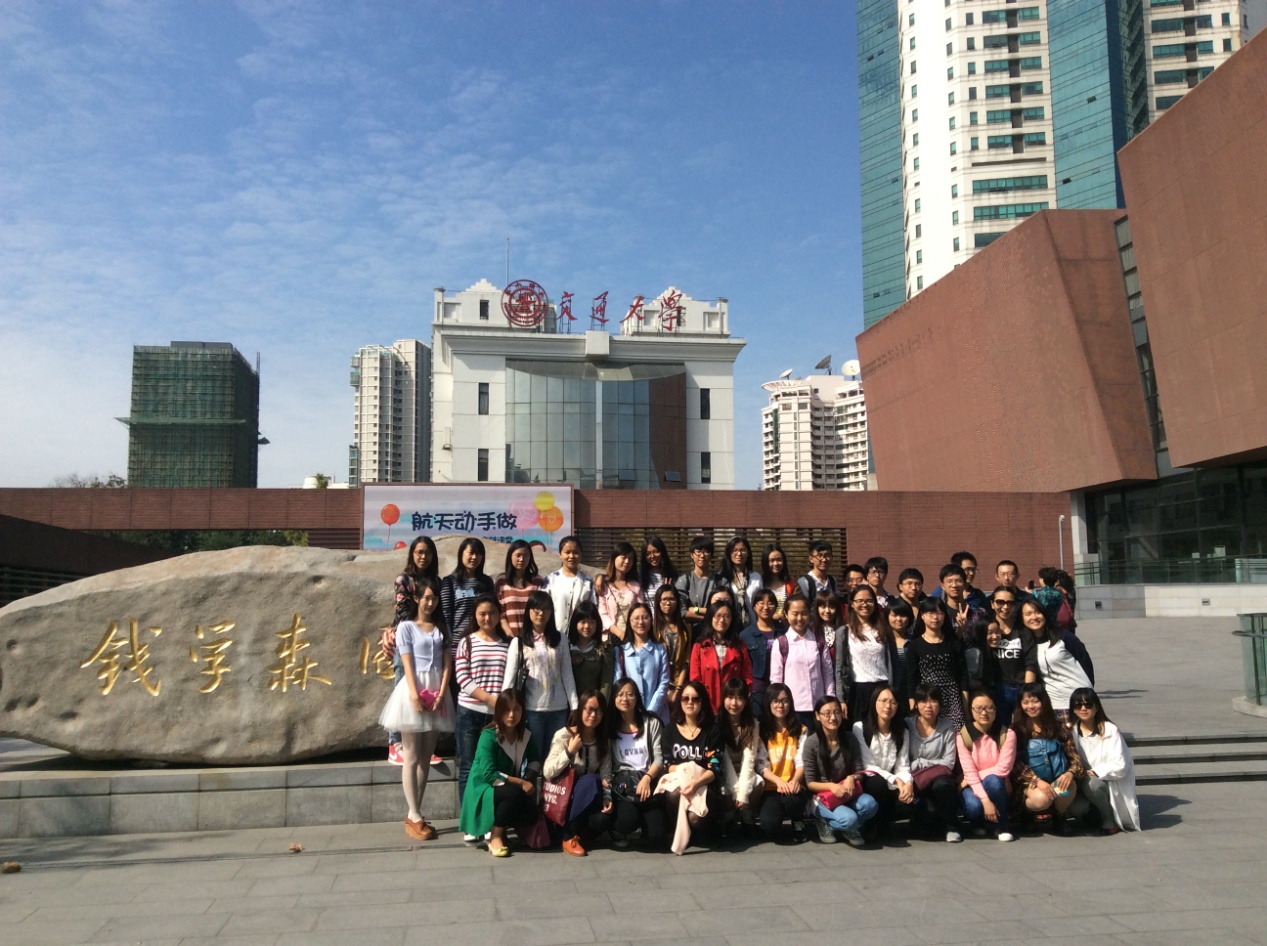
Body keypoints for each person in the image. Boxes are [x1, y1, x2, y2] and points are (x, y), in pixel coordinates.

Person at [377, 577, 453, 841]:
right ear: (417, 599)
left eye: (434, 598)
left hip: (436, 690)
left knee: (426, 756)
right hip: (413, 691)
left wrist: (442, 693)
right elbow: (406, 662)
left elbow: (447, 663)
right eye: (426, 598)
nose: (430, 603)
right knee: (411, 756)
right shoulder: (407, 627)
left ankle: (415, 812)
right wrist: (413, 694)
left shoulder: (441, 627)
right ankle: (414, 815)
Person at [458, 688, 541, 857]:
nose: (511, 715)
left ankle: (500, 829)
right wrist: (521, 782)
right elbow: (490, 775)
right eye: (506, 710)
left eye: (516, 709)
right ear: (499, 712)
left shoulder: (525, 733)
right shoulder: (488, 736)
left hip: (506, 788)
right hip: (482, 789)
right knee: (515, 792)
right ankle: (495, 837)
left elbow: (535, 760)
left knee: (531, 813)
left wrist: (528, 778)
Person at [382, 535, 440, 765]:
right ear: (412, 554)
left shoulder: (436, 581)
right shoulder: (404, 580)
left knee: (427, 691)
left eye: (427, 552)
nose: (423, 556)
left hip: (428, 644)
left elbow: (439, 613)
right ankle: (395, 744)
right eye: (419, 552)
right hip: (407, 642)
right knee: (402, 689)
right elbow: (403, 613)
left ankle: (422, 746)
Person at [503, 590, 578, 762]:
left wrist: (574, 705)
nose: (541, 613)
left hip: (559, 709)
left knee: (555, 759)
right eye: (536, 609)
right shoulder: (519, 641)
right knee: (533, 760)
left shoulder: (560, 639)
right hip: (532, 709)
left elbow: (567, 672)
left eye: (545, 609)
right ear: (528, 611)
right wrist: (505, 708)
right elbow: (510, 678)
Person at [452, 594, 510, 816]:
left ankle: (490, 817)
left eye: (492, 613)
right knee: (468, 766)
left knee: (493, 767)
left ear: (499, 615)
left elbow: (512, 676)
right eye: (482, 613)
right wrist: (489, 699)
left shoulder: (507, 644)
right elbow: (462, 678)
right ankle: (470, 817)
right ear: (475, 616)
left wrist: (500, 704)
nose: (487, 618)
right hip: (469, 713)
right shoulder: (466, 642)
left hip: (498, 716)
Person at [542, 690, 614, 856]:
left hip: (587, 800)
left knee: (604, 819)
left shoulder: (603, 740)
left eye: (598, 711)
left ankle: (572, 834)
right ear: (580, 710)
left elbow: (606, 773)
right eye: (589, 709)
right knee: (591, 780)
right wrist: (569, 752)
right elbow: (548, 771)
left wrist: (607, 796)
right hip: (563, 798)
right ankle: (568, 835)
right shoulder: (564, 735)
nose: (593, 715)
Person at [802, 695, 878, 846]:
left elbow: (859, 771)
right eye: (827, 713)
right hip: (824, 797)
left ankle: (849, 826)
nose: (833, 717)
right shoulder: (812, 742)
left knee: (870, 805)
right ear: (817, 716)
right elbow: (810, 783)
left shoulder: (849, 738)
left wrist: (852, 778)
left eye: (837, 712)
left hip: (848, 793)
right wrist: (831, 786)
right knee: (849, 819)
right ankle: (824, 821)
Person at [658, 679, 724, 853]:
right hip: (679, 782)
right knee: (674, 793)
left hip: (705, 785)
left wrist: (695, 783)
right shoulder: (670, 730)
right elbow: (667, 765)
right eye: (685, 698)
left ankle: (705, 829)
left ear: (702, 702)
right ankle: (677, 830)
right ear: (679, 701)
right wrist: (685, 774)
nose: (690, 702)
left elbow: (715, 768)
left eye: (695, 699)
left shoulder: (713, 730)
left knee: (696, 819)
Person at [1011, 683, 1084, 833]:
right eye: (1026, 702)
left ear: (1044, 701)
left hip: (1056, 778)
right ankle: (1027, 814)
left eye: (1035, 701)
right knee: (1041, 799)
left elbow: (1075, 758)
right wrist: (1037, 781)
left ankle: (1059, 816)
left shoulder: (1059, 727)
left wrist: (1070, 773)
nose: (1031, 706)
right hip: (1030, 783)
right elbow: (1015, 764)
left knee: (1069, 787)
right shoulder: (1016, 730)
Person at [607, 677, 668, 848]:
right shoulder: (610, 726)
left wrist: (648, 778)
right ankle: (618, 826)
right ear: (614, 698)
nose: (625, 699)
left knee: (657, 837)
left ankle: (647, 824)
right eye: (620, 694)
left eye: (630, 694)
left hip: (648, 781)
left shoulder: (651, 723)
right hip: (624, 786)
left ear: (637, 698)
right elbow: (608, 762)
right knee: (627, 822)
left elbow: (659, 757)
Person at [1069, 688, 1141, 833]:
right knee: (1074, 807)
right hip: (1081, 780)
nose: (1083, 708)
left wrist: (1094, 772)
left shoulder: (1110, 730)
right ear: (1073, 709)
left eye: (1088, 704)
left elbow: (1120, 765)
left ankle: (1109, 820)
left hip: (1108, 781)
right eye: (1078, 705)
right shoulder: (1071, 732)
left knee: (1092, 785)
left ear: (1096, 707)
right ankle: (1093, 813)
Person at [957, 690, 1017, 842]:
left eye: (989, 708)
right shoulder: (963, 736)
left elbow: (1003, 768)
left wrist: (971, 778)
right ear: (971, 710)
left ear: (996, 709)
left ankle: (1002, 825)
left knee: (993, 780)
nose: (984, 713)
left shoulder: (1007, 734)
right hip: (973, 787)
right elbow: (968, 770)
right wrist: (985, 800)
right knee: (974, 806)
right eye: (978, 708)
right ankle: (978, 822)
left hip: (996, 785)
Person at [852, 686, 912, 836]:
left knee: (911, 801)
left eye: (893, 702)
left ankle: (884, 821)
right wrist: (896, 780)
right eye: (883, 701)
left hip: (891, 783)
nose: (888, 706)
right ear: (874, 702)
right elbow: (868, 766)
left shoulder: (903, 732)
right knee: (877, 783)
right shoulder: (860, 728)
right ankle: (871, 824)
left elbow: (903, 765)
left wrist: (907, 783)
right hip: (869, 781)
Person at [907, 684, 963, 842]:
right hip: (914, 781)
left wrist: (920, 763)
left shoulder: (948, 727)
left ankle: (951, 826)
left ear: (940, 704)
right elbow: (903, 761)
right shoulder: (907, 725)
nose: (928, 706)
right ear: (916, 704)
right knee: (928, 816)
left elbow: (949, 763)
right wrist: (928, 765)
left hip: (937, 780)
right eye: (923, 701)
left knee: (943, 784)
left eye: (933, 701)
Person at [769, 593, 834, 725]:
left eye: (804, 613)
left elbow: (827, 673)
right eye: (795, 614)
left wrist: (830, 699)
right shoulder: (781, 643)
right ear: (786, 614)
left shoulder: (819, 642)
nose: (799, 618)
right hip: (792, 709)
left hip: (819, 709)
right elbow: (776, 679)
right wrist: (779, 706)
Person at [1023, 601, 1091, 723]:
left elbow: (1085, 662)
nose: (1034, 617)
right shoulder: (1027, 644)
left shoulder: (1064, 636)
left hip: (1080, 701)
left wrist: (1088, 692)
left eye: (1038, 612)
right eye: (1028, 614)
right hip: (1055, 704)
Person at [756, 683, 808, 843]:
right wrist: (779, 781)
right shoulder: (761, 730)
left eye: (785, 701)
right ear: (768, 703)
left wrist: (794, 781)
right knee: (769, 826)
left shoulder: (801, 730)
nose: (780, 705)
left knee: (794, 800)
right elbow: (761, 765)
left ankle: (798, 821)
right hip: (771, 787)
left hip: (793, 785)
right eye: (776, 701)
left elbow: (802, 761)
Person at [907, 597, 968, 730]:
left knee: (955, 734)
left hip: (952, 698)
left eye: (940, 613)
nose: (935, 617)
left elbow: (963, 676)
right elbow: (911, 679)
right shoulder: (915, 646)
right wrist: (913, 705)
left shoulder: (954, 643)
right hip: (927, 698)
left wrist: (965, 705)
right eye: (930, 613)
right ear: (922, 615)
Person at [835, 584, 892, 725]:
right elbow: (839, 667)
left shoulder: (884, 630)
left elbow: (891, 663)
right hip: (857, 691)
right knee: (858, 732)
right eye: (860, 601)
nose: (864, 605)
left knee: (882, 731)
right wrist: (840, 699)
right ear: (852, 604)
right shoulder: (844, 631)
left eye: (869, 601)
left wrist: (892, 690)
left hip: (882, 689)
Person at [689, 598, 753, 713]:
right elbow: (695, 678)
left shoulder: (739, 645)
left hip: (733, 705)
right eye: (718, 616)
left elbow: (747, 677)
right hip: (707, 704)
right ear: (711, 618)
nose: (722, 620)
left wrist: (743, 698)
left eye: (727, 616)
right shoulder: (700, 646)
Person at [717, 678, 763, 833]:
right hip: (725, 772)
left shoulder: (752, 724)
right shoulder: (717, 724)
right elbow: (725, 761)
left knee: (758, 782)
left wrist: (742, 794)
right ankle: (729, 817)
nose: (734, 703)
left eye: (739, 698)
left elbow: (749, 761)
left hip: (744, 771)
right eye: (730, 697)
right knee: (724, 790)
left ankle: (746, 816)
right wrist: (737, 790)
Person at [988, 585, 1037, 722]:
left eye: (1010, 603)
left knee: (1023, 728)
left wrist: (1027, 692)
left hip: (1021, 687)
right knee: (1000, 729)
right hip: (998, 689)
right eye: (1000, 602)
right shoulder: (988, 629)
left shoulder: (1023, 630)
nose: (1005, 607)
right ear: (992, 604)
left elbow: (1031, 661)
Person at [614, 602, 670, 721]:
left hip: (657, 715)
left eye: (645, 618)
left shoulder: (660, 649)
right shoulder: (620, 651)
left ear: (651, 621)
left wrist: (651, 712)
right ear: (629, 621)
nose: (641, 622)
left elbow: (664, 683)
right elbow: (618, 684)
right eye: (636, 618)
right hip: (629, 716)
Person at [441, 538, 495, 650]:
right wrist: (448, 642)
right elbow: (446, 615)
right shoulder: (450, 582)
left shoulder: (487, 582)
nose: (474, 557)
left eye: (478, 554)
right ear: (461, 554)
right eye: (471, 553)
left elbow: (492, 612)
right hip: (457, 644)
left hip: (482, 643)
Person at [741, 587, 785, 718]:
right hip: (757, 690)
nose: (766, 607)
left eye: (770, 603)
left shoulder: (784, 632)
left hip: (780, 688)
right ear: (754, 607)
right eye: (761, 603)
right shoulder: (745, 635)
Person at [544, 535, 595, 632]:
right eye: (567, 552)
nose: (571, 556)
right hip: (555, 635)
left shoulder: (588, 581)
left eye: (575, 552)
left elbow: (593, 609)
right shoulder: (550, 580)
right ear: (560, 554)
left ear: (581, 554)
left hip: (580, 636)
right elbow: (543, 607)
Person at [495, 539, 543, 639]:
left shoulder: (537, 580)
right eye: (518, 555)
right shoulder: (501, 581)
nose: (522, 559)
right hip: (508, 638)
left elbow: (541, 609)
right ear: (510, 556)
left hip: (534, 638)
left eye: (526, 555)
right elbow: (499, 612)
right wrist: (509, 634)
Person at [654, 583, 692, 707]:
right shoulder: (653, 628)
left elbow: (686, 661)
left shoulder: (686, 628)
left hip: (678, 683)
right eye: (664, 599)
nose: (668, 603)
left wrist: (678, 690)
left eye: (672, 599)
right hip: (657, 684)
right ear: (658, 602)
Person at [568, 601, 613, 703]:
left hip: (594, 705)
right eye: (583, 622)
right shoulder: (567, 647)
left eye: (592, 622)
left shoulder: (604, 649)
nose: (587, 626)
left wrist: (600, 706)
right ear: (575, 623)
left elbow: (606, 683)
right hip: (569, 705)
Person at [598, 542, 643, 643]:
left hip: (633, 639)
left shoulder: (636, 586)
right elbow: (602, 614)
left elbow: (641, 611)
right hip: (610, 640)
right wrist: (620, 633)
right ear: (614, 558)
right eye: (624, 557)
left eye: (631, 559)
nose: (627, 561)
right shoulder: (604, 585)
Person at [675, 535, 719, 631]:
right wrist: (707, 618)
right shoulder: (684, 580)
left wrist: (695, 609)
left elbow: (722, 610)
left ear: (711, 555)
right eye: (698, 552)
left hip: (715, 631)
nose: (702, 556)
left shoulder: (720, 581)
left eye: (706, 552)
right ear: (692, 555)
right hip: (690, 632)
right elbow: (682, 612)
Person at [717, 535, 760, 630]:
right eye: (735, 550)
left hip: (753, 627)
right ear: (729, 553)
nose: (739, 554)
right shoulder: (722, 577)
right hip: (728, 627)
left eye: (743, 550)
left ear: (748, 553)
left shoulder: (756, 577)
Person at [938, 563, 988, 639]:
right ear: (943, 586)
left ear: (964, 584)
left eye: (958, 581)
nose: (954, 585)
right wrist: (960, 630)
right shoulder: (938, 614)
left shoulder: (979, 613)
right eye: (949, 581)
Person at [886, 598, 917, 711]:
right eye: (894, 615)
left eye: (903, 615)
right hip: (890, 696)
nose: (899, 619)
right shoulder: (883, 643)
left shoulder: (914, 642)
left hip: (911, 695)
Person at [760, 542, 796, 619]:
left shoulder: (792, 584)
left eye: (779, 560)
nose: (776, 563)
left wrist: (782, 616)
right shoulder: (759, 583)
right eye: (772, 560)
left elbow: (797, 607)